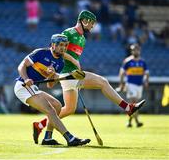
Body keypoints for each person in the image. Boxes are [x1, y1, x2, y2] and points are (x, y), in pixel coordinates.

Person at [33, 10, 146, 143]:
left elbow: (74, 57)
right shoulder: (68, 33)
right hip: (67, 74)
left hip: (73, 75)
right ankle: (128, 108)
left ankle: (43, 130)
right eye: (91, 23)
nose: (92, 26)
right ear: (84, 21)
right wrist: (74, 61)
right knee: (103, 82)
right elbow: (55, 50)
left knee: (69, 109)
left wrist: (76, 66)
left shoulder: (82, 39)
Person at [14, 34, 90, 146]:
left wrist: (52, 75)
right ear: (53, 45)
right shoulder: (40, 53)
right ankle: (70, 138)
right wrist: (26, 78)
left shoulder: (60, 62)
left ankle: (48, 138)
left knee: (58, 106)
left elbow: (50, 85)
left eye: (65, 45)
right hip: (23, 86)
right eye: (60, 45)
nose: (63, 48)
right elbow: (21, 65)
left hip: (34, 88)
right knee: (50, 110)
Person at [118, 43, 149, 127]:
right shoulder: (128, 61)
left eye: (136, 49)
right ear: (132, 51)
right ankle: (137, 121)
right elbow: (121, 73)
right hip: (131, 84)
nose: (135, 51)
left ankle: (130, 121)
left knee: (134, 104)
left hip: (139, 85)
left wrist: (146, 81)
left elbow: (147, 73)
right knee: (134, 102)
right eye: (133, 50)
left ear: (139, 50)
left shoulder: (143, 62)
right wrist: (122, 84)